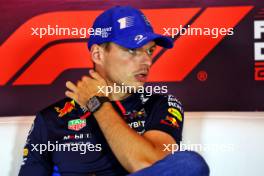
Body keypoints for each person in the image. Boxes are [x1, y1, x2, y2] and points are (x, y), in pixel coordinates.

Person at [19, 6, 209, 176]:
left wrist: (97, 103)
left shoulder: (162, 105)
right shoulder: (51, 118)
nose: (147, 62)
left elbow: (150, 165)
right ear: (98, 54)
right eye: (133, 49)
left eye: (150, 51)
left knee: (189, 164)